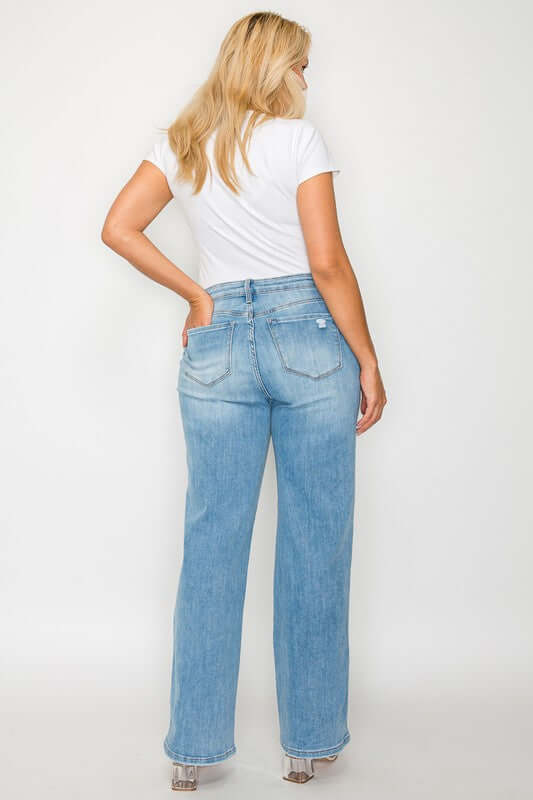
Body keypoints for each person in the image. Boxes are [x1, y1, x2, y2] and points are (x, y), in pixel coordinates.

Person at [101, 10, 386, 791]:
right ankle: (307, 746)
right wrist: (366, 357)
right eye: (299, 65)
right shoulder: (296, 139)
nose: (305, 79)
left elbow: (118, 227)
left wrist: (198, 295)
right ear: (270, 67)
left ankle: (192, 755)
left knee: (211, 550)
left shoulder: (184, 145)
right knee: (314, 546)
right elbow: (325, 264)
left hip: (217, 343)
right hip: (306, 339)